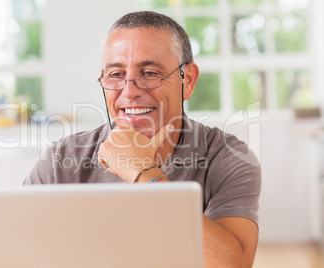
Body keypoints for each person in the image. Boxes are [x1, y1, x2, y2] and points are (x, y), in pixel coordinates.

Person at [24, 11, 261, 268]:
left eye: (149, 73)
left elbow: (232, 264)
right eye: (115, 75)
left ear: (188, 80)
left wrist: (144, 173)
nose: (129, 91)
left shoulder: (227, 158)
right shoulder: (61, 161)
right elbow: (14, 248)